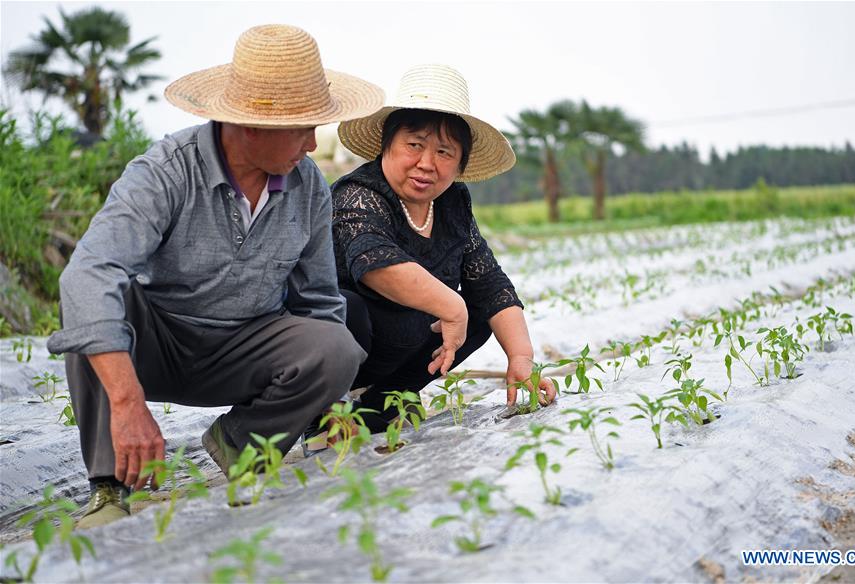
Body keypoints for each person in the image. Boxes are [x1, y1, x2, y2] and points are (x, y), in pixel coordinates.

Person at [46, 24, 384, 528]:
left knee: (336, 345)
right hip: (157, 343)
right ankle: (108, 489)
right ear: (249, 125)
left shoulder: (308, 186)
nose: (313, 144)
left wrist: (333, 403)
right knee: (92, 299)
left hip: (243, 350)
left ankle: (239, 445)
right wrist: (127, 400)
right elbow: (88, 274)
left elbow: (317, 299)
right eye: (301, 128)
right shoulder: (166, 171)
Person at [331, 64, 556, 432]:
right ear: (386, 145)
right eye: (414, 145)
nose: (426, 164)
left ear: (461, 163)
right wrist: (451, 307)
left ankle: (383, 402)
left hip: (401, 346)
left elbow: (490, 283)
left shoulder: (452, 202)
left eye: (444, 152)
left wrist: (521, 359)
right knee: (346, 308)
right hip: (344, 347)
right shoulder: (357, 194)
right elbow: (374, 264)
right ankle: (325, 414)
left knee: (481, 310)